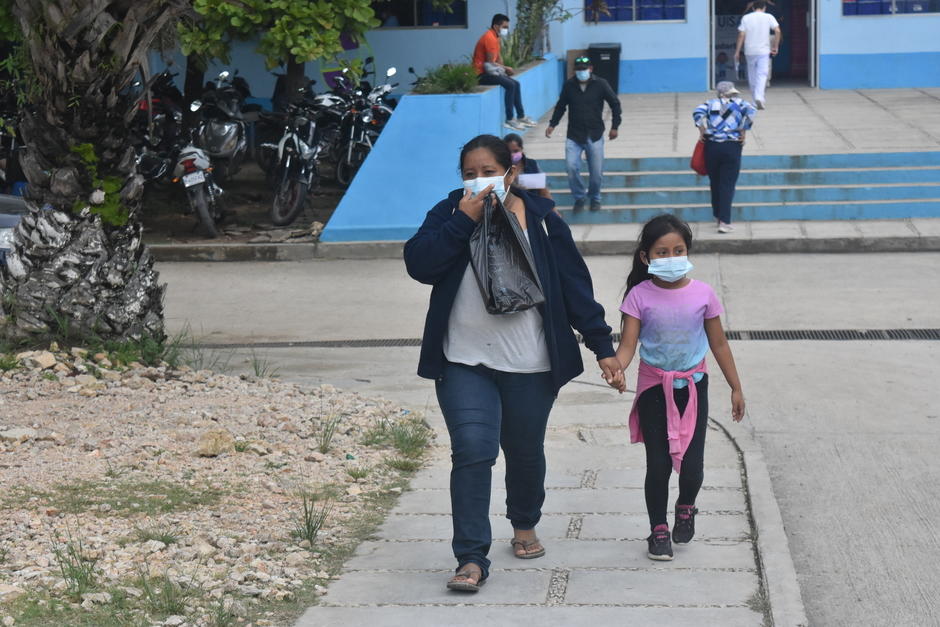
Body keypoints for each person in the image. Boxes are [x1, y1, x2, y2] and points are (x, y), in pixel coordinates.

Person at [404, 134, 622, 592]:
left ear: (511, 173)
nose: (479, 180)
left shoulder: (541, 220)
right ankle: (471, 557)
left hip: (530, 362)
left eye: (488, 171)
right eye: (469, 172)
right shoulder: (449, 212)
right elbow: (420, 264)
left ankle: (524, 523)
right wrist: (463, 220)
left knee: (524, 452)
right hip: (463, 359)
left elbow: (573, 285)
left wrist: (603, 347)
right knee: (472, 451)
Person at [608, 214, 745, 561]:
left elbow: (719, 344)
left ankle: (686, 505)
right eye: (662, 252)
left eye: (678, 250)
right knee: (659, 464)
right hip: (655, 388)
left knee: (693, 465)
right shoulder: (639, 296)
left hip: (694, 388)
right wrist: (616, 368)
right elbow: (628, 345)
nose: (671, 258)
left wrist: (735, 387)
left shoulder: (704, 294)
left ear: (688, 251)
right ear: (646, 258)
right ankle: (658, 529)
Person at [545, 56, 621, 213]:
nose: (581, 72)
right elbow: (561, 106)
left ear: (590, 69)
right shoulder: (569, 86)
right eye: (578, 69)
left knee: (596, 172)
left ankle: (595, 197)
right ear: (575, 71)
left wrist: (615, 126)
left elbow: (615, 104)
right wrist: (552, 124)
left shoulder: (600, 84)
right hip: (574, 135)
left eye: (584, 69)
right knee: (571, 167)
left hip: (595, 134)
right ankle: (579, 197)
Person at [693, 81, 757, 233]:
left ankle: (717, 215)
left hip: (712, 147)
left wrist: (702, 130)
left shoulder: (709, 103)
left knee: (715, 182)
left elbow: (697, 113)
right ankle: (725, 221)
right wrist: (743, 130)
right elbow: (752, 112)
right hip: (731, 146)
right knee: (727, 184)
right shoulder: (740, 103)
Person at [472, 14, 537, 131]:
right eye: (504, 27)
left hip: (491, 71)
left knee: (516, 84)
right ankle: (510, 118)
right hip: (481, 74)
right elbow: (490, 63)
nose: (506, 29)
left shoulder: (496, 37)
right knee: (510, 85)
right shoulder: (489, 38)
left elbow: (498, 57)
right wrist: (506, 68)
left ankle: (521, 116)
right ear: (496, 26)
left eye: (507, 27)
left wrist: (504, 70)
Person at [734, 0, 781, 110]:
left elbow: (741, 34)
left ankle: (755, 100)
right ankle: (759, 97)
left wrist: (737, 51)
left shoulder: (746, 18)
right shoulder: (768, 17)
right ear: (764, 8)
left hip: (750, 51)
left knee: (752, 75)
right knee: (762, 74)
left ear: (752, 8)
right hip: (763, 51)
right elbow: (777, 31)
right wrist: (775, 46)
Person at [503, 133, 551, 200]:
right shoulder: (501, 167)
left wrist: (553, 209)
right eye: (508, 151)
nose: (512, 155)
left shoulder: (532, 164)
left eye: (516, 151)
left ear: (521, 149)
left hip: (533, 205)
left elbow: (544, 191)